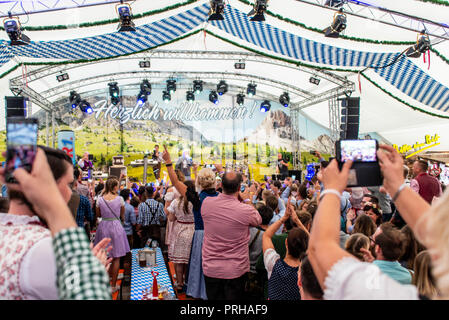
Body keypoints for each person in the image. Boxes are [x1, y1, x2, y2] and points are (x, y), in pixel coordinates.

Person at [308, 146, 429, 300]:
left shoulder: (367, 286)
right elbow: (436, 233)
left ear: (377, 248)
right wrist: (398, 187)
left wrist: (331, 190)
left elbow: (318, 249)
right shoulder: (410, 280)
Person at [1, 148, 111, 300]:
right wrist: (90, 270)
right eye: (67, 184)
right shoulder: (43, 246)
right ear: (47, 184)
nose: (69, 192)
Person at [201, 171, 262, 300]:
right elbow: (258, 220)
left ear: (221, 185)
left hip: (212, 268)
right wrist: (246, 200)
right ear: (239, 188)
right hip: (235, 270)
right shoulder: (246, 210)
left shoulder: (206, 203)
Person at [262, 201, 309, 300]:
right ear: (305, 247)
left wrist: (283, 218)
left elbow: (266, 235)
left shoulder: (273, 263)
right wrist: (297, 221)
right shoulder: (306, 272)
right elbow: (314, 246)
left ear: (286, 243)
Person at [94, 177, 130, 294]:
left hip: (103, 226)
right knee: (116, 257)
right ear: (115, 187)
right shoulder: (119, 199)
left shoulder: (100, 199)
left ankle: (105, 283)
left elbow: (98, 214)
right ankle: (113, 285)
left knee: (104, 255)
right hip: (116, 225)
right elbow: (122, 215)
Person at [165, 180, 196, 292]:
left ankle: (179, 284)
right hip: (193, 231)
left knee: (179, 261)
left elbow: (171, 218)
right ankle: (188, 283)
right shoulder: (196, 202)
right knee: (188, 260)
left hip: (179, 231)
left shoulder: (175, 202)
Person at [120, 188, 136, 284]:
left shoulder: (116, 206)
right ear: (128, 197)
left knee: (117, 256)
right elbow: (134, 222)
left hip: (118, 233)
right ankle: (126, 277)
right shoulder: (129, 208)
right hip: (128, 233)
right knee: (127, 256)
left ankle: (117, 275)